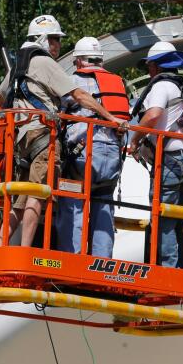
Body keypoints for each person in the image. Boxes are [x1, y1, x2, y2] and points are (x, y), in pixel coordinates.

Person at [0, 15, 126, 247]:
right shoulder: (45, 63)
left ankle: (0, 246)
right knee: (37, 195)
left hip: (21, 140)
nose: (58, 45)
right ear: (43, 39)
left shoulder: (19, 65)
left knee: (19, 200)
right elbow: (79, 96)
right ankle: (25, 250)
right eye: (55, 39)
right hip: (43, 138)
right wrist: (110, 117)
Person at [56, 36, 130, 257]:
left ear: (78, 61)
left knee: (72, 203)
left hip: (84, 152)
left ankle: (72, 258)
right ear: (100, 60)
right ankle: (102, 260)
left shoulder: (74, 82)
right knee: (103, 206)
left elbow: (56, 110)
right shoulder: (118, 82)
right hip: (112, 156)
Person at [127, 41, 183, 268]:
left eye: (149, 66)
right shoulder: (180, 88)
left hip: (169, 159)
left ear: (157, 66)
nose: (148, 71)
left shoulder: (161, 86)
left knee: (163, 216)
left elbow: (153, 115)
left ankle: (166, 267)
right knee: (181, 216)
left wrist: (134, 139)